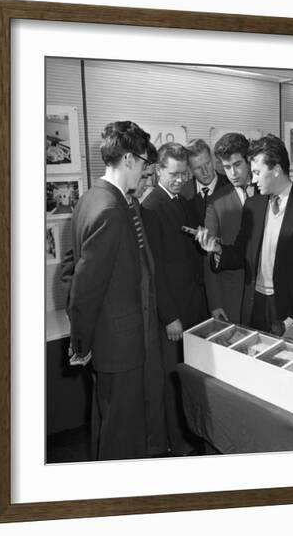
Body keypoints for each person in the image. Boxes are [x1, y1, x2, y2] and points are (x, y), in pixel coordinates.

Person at [66, 121, 166, 461]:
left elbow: (73, 268)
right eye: (142, 165)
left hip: (116, 341)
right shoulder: (110, 209)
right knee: (122, 434)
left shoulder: (93, 198)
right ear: (127, 158)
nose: (144, 173)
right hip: (119, 345)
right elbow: (84, 285)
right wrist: (82, 343)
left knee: (110, 424)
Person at [197, 134, 293, 336]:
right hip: (255, 304)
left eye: (257, 172)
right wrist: (217, 248)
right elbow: (241, 253)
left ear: (275, 170)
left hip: (288, 310)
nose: (253, 179)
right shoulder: (253, 206)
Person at [142, 142, 206, 456]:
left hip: (191, 306)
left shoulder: (180, 200)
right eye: (175, 173)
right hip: (173, 315)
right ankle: (177, 445)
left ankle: (188, 438)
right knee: (172, 382)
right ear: (157, 171)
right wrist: (169, 316)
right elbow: (155, 271)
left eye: (185, 173)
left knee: (186, 377)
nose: (181, 179)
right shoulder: (152, 206)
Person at [204, 132, 255, 323]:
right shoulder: (216, 201)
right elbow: (208, 255)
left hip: (266, 293)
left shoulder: (266, 191)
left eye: (237, 165)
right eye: (226, 167)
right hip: (233, 295)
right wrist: (215, 303)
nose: (232, 173)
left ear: (248, 160)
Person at [180, 138, 228, 226]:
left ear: (212, 159)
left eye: (207, 163)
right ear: (189, 170)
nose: (205, 172)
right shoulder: (182, 194)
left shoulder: (231, 187)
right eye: (198, 168)